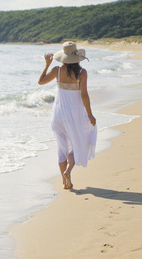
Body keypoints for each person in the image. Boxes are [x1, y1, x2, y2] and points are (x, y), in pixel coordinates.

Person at [38, 41, 97, 189]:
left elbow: (40, 82)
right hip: (74, 115)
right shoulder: (82, 73)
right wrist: (90, 115)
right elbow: (84, 95)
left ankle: (65, 182)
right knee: (77, 145)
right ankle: (68, 171)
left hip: (57, 115)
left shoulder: (57, 70)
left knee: (61, 147)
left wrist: (46, 65)